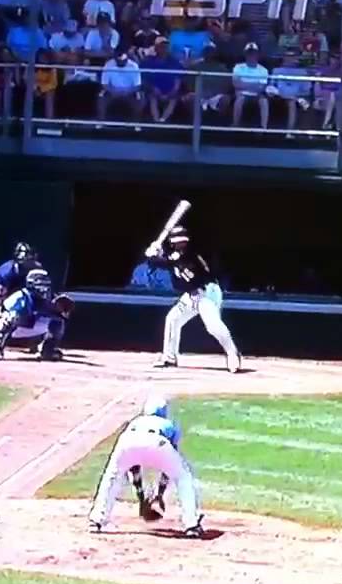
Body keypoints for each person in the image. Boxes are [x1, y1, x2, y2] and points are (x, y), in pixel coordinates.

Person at [87, 394, 206, 537]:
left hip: (127, 441)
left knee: (112, 477)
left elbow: (133, 466)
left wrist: (140, 493)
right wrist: (160, 494)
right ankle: (191, 525)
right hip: (158, 441)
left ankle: (96, 520)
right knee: (183, 477)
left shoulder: (135, 422)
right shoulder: (168, 424)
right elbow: (170, 464)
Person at [145, 226, 242, 374]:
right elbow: (169, 261)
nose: (181, 245)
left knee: (213, 326)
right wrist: (157, 254)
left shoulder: (190, 253)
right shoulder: (175, 255)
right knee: (173, 319)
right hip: (191, 295)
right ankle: (170, 357)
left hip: (207, 292)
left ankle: (233, 354)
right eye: (178, 242)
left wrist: (153, 256)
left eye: (183, 242)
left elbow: (170, 261)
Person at [0, 268, 72, 362]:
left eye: (44, 280)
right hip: (17, 329)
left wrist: (58, 311)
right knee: (12, 316)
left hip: (37, 328)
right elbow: (5, 310)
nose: (43, 284)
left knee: (58, 321)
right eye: (39, 280)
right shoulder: (21, 295)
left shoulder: (52, 297)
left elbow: (63, 315)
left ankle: (47, 351)